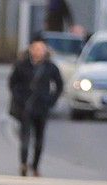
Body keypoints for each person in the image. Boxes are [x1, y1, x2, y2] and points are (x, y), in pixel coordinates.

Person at [8, 38, 63, 177]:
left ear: (45, 50)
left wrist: (51, 100)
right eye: (36, 48)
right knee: (25, 138)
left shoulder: (50, 67)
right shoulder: (21, 65)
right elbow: (12, 83)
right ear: (30, 49)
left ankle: (36, 165)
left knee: (39, 139)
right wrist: (18, 98)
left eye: (41, 48)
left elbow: (59, 85)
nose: (38, 51)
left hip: (42, 108)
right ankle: (23, 164)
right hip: (25, 107)